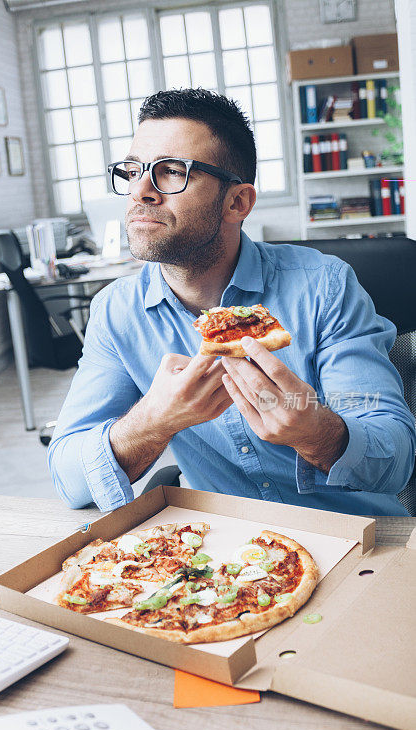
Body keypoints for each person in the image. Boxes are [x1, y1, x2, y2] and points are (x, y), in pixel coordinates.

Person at [48, 88, 415, 516]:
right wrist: (155, 419)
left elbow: (397, 459)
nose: (140, 191)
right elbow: (68, 479)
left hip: (358, 539)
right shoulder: (116, 312)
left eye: (171, 171)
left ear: (238, 202)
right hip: (227, 555)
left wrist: (318, 433)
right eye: (132, 171)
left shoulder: (326, 286)